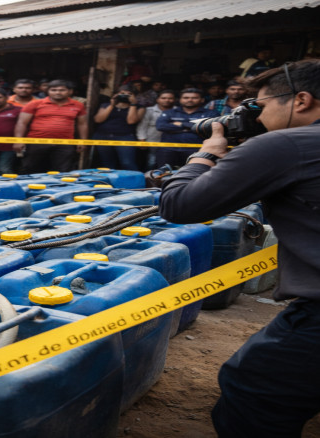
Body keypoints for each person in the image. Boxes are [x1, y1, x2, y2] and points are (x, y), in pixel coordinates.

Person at [159, 59, 320, 438]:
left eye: (260, 107)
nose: (258, 119)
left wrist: (208, 153)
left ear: (300, 100)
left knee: (251, 396)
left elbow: (179, 205)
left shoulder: (285, 145)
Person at [14, 79, 88, 173]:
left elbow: (82, 124)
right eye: (53, 90)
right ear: (48, 91)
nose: (57, 92)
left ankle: (59, 187)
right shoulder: (35, 104)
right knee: (30, 168)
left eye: (62, 90)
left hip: (65, 143)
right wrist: (18, 140)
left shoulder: (78, 105)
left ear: (70, 91)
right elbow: (22, 123)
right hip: (36, 141)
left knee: (63, 170)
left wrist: (83, 141)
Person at [154, 88, 220, 168]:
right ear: (180, 100)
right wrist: (192, 126)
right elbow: (161, 126)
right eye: (186, 98)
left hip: (198, 150)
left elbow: (209, 127)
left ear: (202, 100)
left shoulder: (211, 113)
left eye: (194, 98)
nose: (190, 100)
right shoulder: (169, 112)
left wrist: (181, 124)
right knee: (164, 174)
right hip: (168, 150)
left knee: (196, 173)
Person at [92, 84, 144, 170]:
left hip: (125, 137)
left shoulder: (139, 108)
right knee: (107, 163)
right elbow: (98, 120)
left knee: (127, 162)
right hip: (103, 136)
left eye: (129, 94)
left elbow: (131, 121)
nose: (124, 96)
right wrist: (112, 105)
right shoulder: (105, 105)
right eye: (122, 93)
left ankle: (135, 181)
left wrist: (133, 104)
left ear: (134, 96)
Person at [137, 89, 176, 169]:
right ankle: (150, 179)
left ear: (174, 100)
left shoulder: (178, 111)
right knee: (151, 162)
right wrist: (142, 140)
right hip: (152, 141)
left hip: (173, 142)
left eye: (170, 98)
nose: (167, 100)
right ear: (157, 99)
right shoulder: (149, 110)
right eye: (163, 98)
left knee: (170, 164)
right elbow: (143, 126)